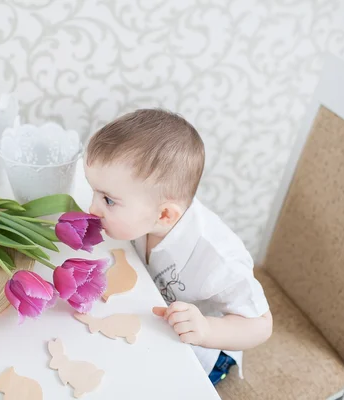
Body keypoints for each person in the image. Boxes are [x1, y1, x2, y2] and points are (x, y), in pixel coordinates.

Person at [84, 108, 272, 384]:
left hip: (203, 347)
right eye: (94, 193)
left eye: (108, 200)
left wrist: (206, 329)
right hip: (153, 313)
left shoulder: (217, 258)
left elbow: (261, 325)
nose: (92, 208)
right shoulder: (145, 215)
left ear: (164, 215)